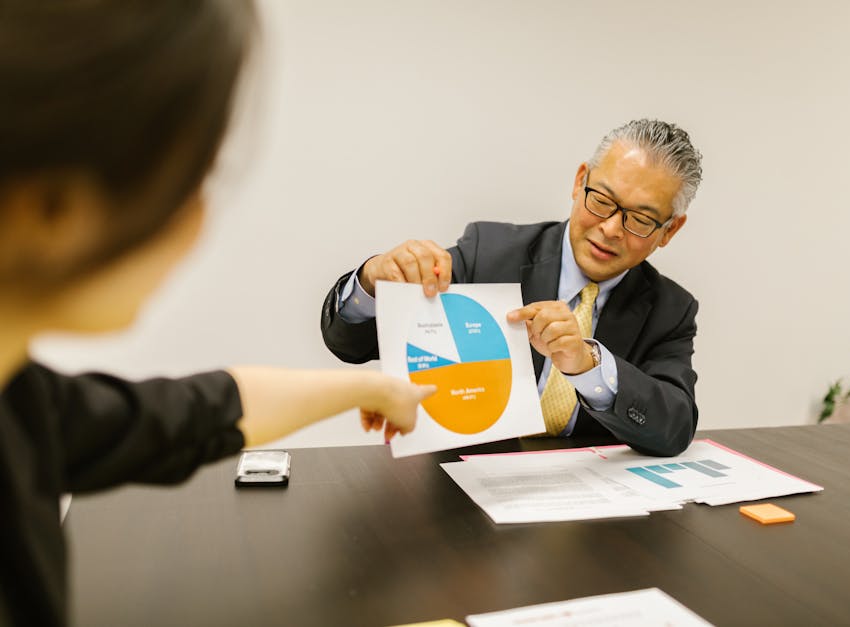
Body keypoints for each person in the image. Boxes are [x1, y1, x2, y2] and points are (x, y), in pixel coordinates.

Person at [0, 2, 434, 625]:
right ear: (50, 203)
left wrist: (373, 387)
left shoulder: (21, 402)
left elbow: (196, 413)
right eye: (188, 176)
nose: (199, 216)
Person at [321, 119, 703, 457]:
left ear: (669, 230)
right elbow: (352, 344)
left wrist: (591, 367)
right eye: (601, 200)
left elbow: (674, 429)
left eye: (640, 219)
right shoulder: (488, 253)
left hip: (593, 509)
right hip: (464, 496)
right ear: (579, 181)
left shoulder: (670, 309)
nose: (610, 228)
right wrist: (373, 282)